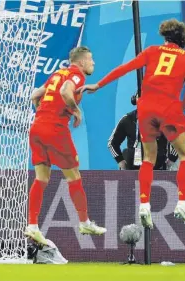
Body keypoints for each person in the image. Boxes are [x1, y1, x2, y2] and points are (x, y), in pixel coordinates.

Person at [79, 19, 185, 228]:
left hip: (145, 109)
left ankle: (144, 204)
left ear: (166, 37)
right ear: (183, 40)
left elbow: (125, 68)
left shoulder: (152, 51)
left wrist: (98, 84)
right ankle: (182, 203)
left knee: (148, 159)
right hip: (169, 108)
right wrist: (182, 106)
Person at [25, 46, 106, 245]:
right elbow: (65, 91)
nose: (93, 63)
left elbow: (35, 95)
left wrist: (44, 114)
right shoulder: (77, 75)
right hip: (55, 130)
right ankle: (84, 221)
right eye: (91, 59)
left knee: (41, 178)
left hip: (37, 128)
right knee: (74, 177)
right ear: (81, 62)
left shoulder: (57, 73)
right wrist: (76, 111)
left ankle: (32, 225)